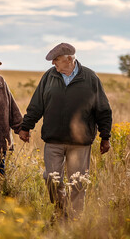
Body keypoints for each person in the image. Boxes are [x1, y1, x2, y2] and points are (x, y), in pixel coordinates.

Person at [19, 43, 112, 218]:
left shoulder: (90, 78)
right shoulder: (49, 76)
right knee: (51, 179)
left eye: (56, 60)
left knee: (77, 183)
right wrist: (26, 127)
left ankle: (74, 219)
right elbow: (36, 105)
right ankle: (60, 211)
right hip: (53, 140)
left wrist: (105, 136)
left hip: (80, 143)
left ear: (69, 59)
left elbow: (103, 110)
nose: (53, 64)